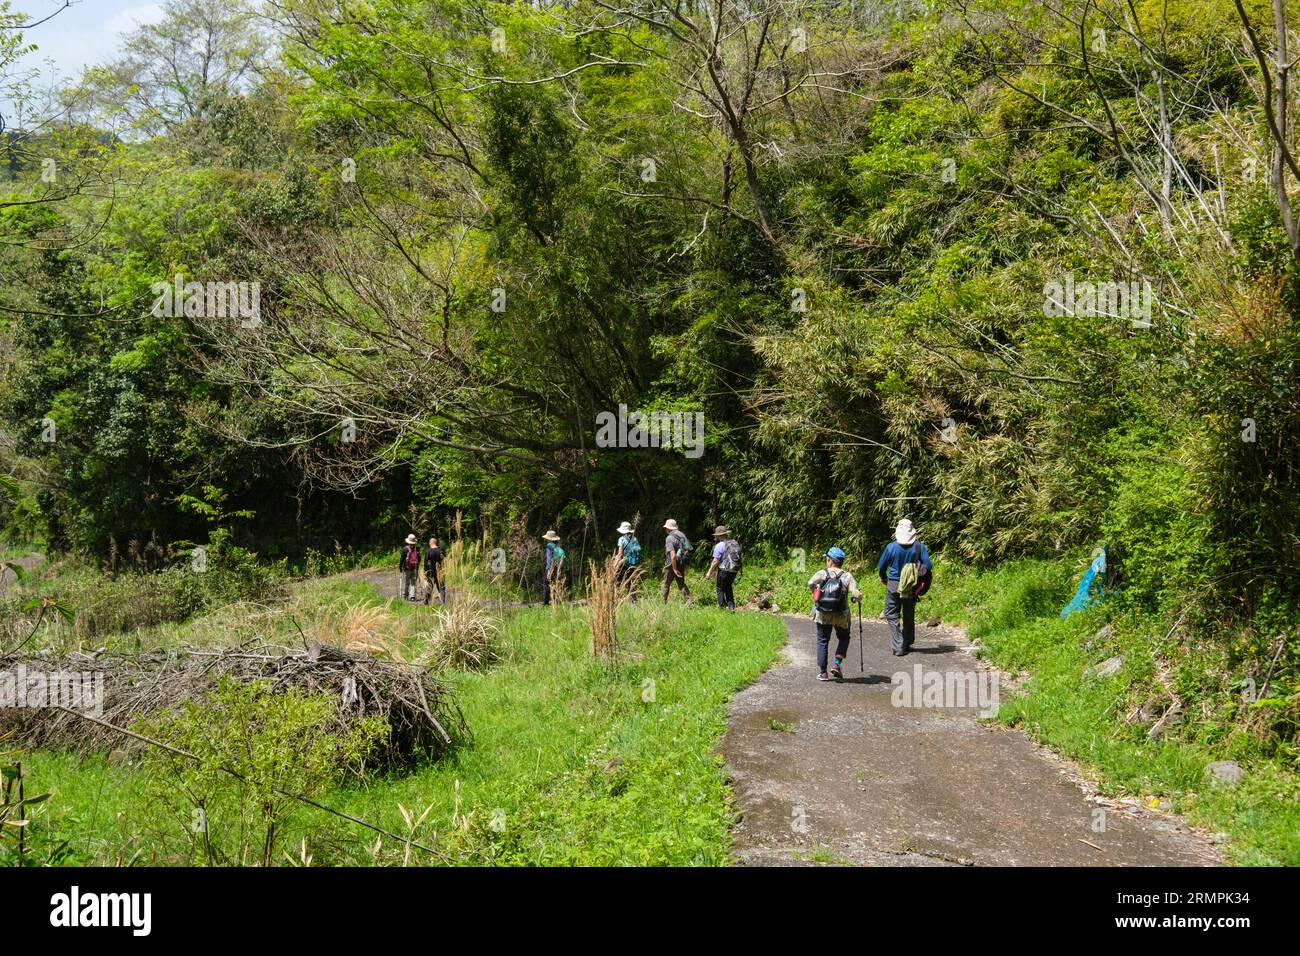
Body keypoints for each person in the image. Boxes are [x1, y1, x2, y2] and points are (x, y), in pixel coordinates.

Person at [877, 519, 933, 657]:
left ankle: (898, 645)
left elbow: (881, 566)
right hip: (911, 585)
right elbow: (928, 566)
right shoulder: (919, 547)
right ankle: (907, 641)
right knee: (908, 612)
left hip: (894, 583)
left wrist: (884, 578)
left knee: (891, 613)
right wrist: (917, 571)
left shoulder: (891, 547)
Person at [808, 547, 862, 681]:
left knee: (822, 641)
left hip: (823, 614)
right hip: (841, 614)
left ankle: (823, 673)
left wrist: (816, 593)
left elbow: (810, 583)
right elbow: (855, 593)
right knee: (844, 638)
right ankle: (836, 664)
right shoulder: (847, 576)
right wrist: (858, 597)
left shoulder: (822, 573)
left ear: (830, 560)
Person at [703, 525, 742, 611]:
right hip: (734, 570)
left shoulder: (719, 545)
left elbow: (715, 561)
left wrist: (709, 572)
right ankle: (731, 607)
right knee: (728, 587)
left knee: (720, 588)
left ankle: (722, 608)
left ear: (718, 536)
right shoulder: (733, 542)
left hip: (724, 570)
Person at [661, 518, 692, 603]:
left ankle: (662, 603)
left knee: (666, 584)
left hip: (671, 564)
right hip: (681, 562)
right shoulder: (682, 535)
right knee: (681, 583)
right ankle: (690, 601)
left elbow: (673, 555)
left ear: (668, 528)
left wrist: (674, 569)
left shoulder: (669, 538)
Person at [615, 521, 642, 601]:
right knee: (630, 583)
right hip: (632, 564)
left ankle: (616, 600)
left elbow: (620, 554)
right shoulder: (634, 539)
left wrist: (615, 565)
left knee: (617, 583)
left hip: (623, 564)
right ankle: (634, 602)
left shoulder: (621, 539)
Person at [542, 530, 564, 605]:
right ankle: (557, 601)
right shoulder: (558, 547)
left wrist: (549, 571)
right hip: (557, 568)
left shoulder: (549, 546)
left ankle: (546, 603)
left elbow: (550, 559)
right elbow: (560, 558)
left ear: (548, 539)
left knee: (546, 584)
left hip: (550, 568)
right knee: (556, 584)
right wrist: (559, 569)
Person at [423, 536, 446, 606]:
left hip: (431, 572)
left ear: (430, 543)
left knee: (429, 587)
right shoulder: (441, 550)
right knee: (441, 587)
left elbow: (426, 564)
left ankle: (426, 601)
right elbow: (445, 560)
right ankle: (443, 603)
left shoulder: (428, 552)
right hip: (441, 572)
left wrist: (425, 572)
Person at [399, 534, 421, 602]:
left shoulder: (405, 549)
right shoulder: (417, 549)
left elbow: (402, 559)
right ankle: (412, 596)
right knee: (413, 583)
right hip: (415, 568)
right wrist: (417, 567)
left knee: (407, 582)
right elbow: (419, 559)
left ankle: (406, 595)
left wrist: (400, 567)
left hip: (407, 568)